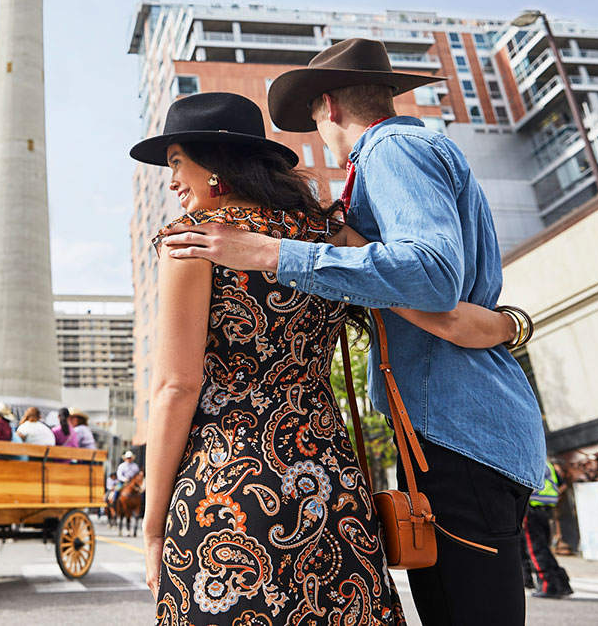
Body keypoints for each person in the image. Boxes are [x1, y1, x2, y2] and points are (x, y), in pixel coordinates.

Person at [159, 45, 547, 625]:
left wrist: (271, 251)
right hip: (389, 448)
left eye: (175, 164)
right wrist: (507, 324)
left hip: (455, 430)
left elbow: (431, 277)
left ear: (329, 106)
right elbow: (438, 296)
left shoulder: (391, 150)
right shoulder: (352, 195)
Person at [523, 460, 573, 598]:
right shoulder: (547, 464)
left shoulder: (528, 460)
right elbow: (561, 485)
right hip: (547, 509)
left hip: (532, 508)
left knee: (535, 549)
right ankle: (562, 582)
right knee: (544, 548)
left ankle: (548, 585)